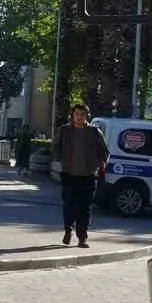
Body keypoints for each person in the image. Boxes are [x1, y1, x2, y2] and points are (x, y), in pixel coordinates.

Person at [54, 104, 107, 247]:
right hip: (68, 174)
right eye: (77, 114)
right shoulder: (64, 130)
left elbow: (104, 151)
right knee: (69, 205)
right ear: (72, 115)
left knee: (85, 208)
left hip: (88, 175)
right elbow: (55, 147)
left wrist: (101, 163)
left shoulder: (94, 132)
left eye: (82, 114)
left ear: (87, 116)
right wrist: (58, 160)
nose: (79, 117)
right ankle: (67, 230)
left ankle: (82, 237)